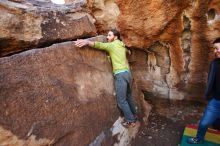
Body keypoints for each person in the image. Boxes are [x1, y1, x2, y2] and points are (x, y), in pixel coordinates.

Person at [74, 29, 137, 127]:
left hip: (120, 75)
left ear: (115, 37)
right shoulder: (121, 44)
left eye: (109, 35)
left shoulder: (112, 45)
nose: (107, 37)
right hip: (127, 74)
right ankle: (134, 116)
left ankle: (131, 120)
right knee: (128, 96)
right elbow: (127, 51)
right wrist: (127, 51)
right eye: (107, 35)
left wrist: (86, 42)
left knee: (121, 100)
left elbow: (99, 45)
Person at [187, 37, 220, 144]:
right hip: (215, 101)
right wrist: (210, 97)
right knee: (204, 123)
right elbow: (211, 81)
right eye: (214, 49)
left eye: (217, 48)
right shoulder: (215, 63)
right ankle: (199, 138)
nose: (215, 51)